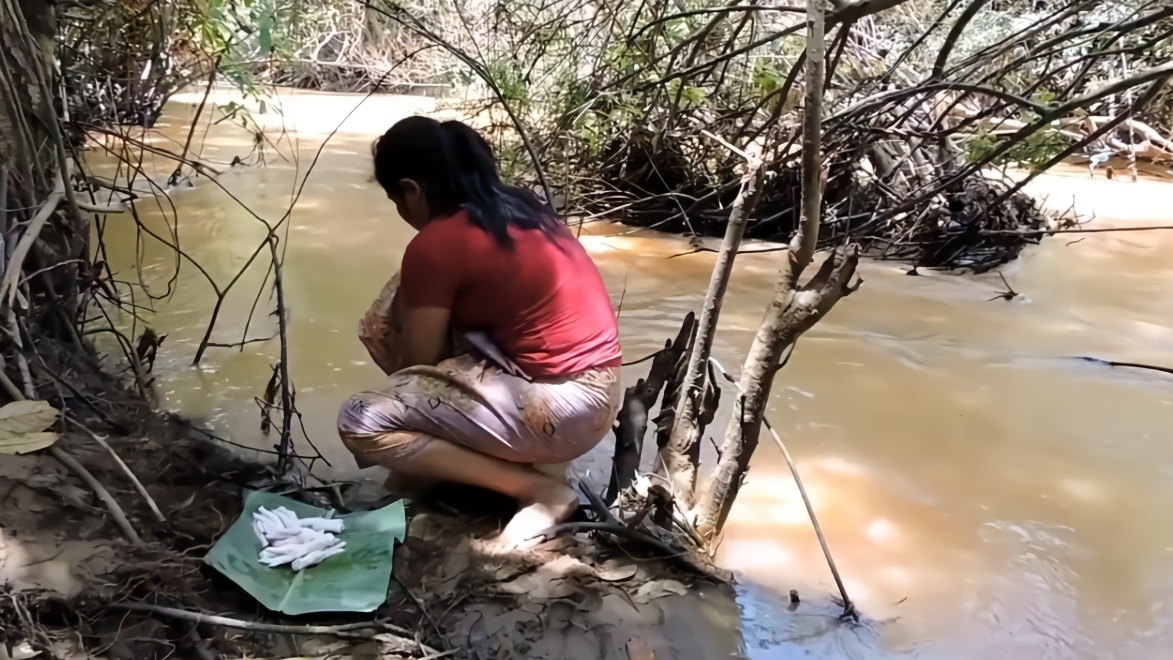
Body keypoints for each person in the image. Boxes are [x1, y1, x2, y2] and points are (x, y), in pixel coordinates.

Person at [337, 116, 622, 545]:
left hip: (559, 410)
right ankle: (492, 467)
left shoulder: (436, 244)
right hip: (599, 397)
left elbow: (420, 368)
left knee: (361, 419)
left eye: (396, 198)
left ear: (411, 190)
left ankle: (541, 491)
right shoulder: (525, 208)